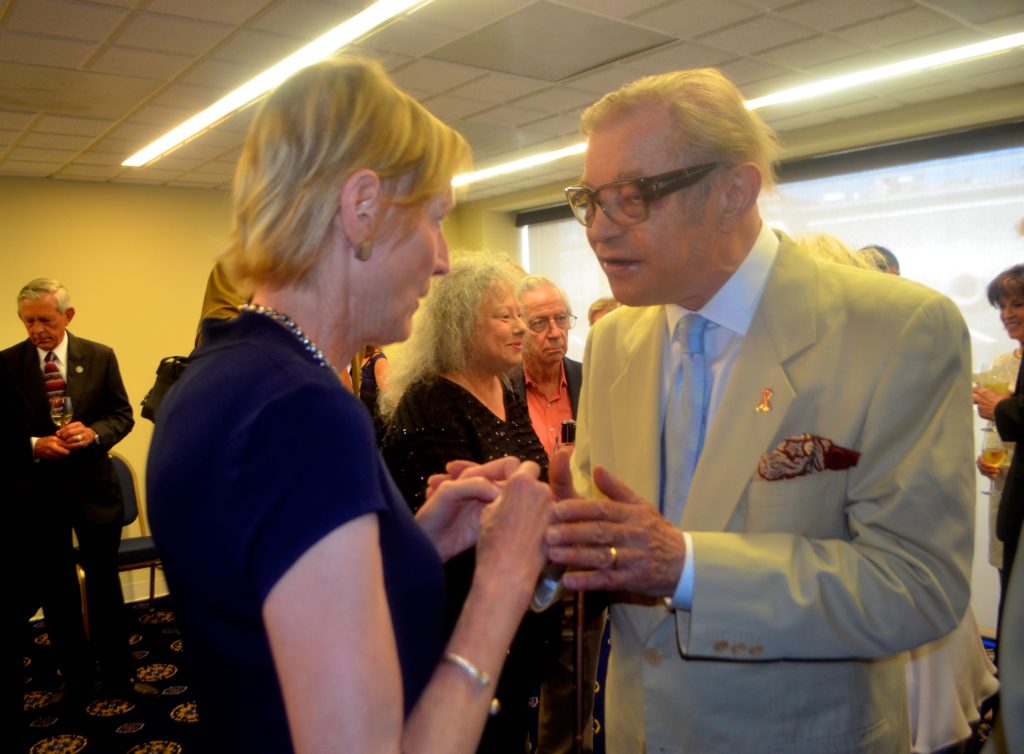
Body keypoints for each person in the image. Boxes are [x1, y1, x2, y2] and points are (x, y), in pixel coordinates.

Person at [547, 68, 974, 754]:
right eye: (589, 200)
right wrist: (550, 539)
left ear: (732, 192)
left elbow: (916, 586)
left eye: (631, 197)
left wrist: (687, 567)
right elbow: (619, 542)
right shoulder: (612, 342)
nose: (598, 229)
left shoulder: (895, 330)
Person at [147, 58, 554, 754]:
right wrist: (504, 582)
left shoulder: (223, 370)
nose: (443, 260)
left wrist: (419, 539)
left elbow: (276, 593)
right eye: (435, 219)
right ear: (362, 209)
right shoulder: (302, 413)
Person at [381, 254, 559, 754]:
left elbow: (530, 485)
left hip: (518, 608)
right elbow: (457, 528)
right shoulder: (427, 400)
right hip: (460, 620)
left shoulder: (506, 389)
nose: (521, 327)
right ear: (459, 323)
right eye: (506, 316)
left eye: (519, 315)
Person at [1, 278, 149, 700]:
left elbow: (121, 415)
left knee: (104, 586)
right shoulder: (6, 364)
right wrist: (33, 444)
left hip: (93, 491)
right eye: (28, 321)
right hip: (35, 496)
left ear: (68, 316)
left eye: (45, 320)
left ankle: (120, 677)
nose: (36, 330)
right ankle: (77, 679)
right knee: (57, 591)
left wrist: (95, 435)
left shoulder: (99, 357)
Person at [507, 275, 602, 754]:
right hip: (522, 554)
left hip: (582, 547)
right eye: (539, 322)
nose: (554, 332)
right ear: (519, 329)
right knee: (520, 677)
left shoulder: (592, 380)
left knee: (576, 678)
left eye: (560, 319)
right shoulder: (499, 389)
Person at [976, 264, 1024, 644]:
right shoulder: (999, 365)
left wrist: (1004, 408)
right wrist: (987, 456)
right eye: (1002, 306)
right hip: (1007, 485)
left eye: (1018, 304)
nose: (1007, 314)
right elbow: (995, 431)